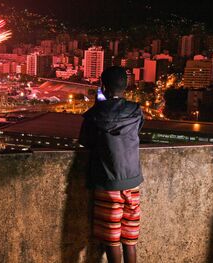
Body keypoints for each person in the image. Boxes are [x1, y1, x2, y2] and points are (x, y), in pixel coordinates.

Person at [79, 66, 144, 263]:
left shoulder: (94, 115)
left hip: (108, 182)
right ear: (125, 87)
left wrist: (97, 105)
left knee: (112, 239)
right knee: (129, 239)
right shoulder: (136, 111)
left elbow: (85, 141)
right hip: (133, 181)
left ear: (103, 88)